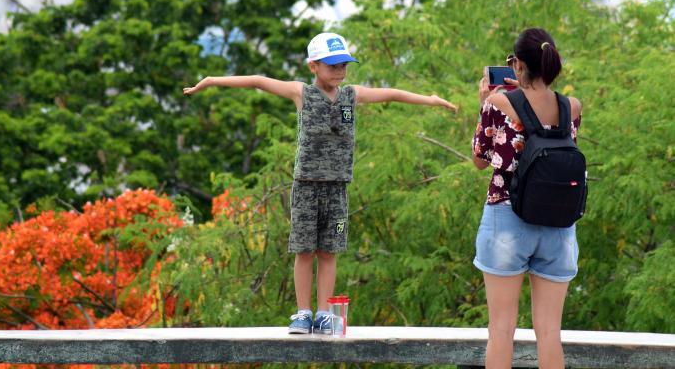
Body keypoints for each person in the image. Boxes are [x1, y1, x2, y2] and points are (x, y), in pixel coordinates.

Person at [184, 32, 458, 334]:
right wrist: (210, 80)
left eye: (344, 66)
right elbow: (258, 81)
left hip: (337, 188)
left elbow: (392, 94)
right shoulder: (301, 92)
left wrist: (431, 100)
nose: (339, 72)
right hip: (306, 187)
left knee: (329, 250)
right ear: (313, 66)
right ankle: (303, 313)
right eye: (332, 66)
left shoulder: (352, 96)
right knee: (304, 250)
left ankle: (325, 313)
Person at [471, 27, 582, 368]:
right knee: (549, 332)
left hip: (508, 217)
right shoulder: (572, 107)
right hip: (559, 225)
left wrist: (483, 105)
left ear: (517, 65)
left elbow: (479, 159)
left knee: (501, 329)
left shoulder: (498, 103)